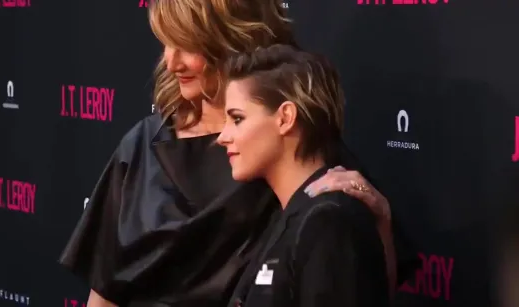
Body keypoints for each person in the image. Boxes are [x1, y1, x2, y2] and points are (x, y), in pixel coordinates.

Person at [59, 0, 417, 306]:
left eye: (186, 44)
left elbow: (359, 288)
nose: (172, 63)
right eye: (166, 44)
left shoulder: (291, 149)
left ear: (231, 35)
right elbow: (103, 293)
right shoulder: (138, 150)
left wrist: (380, 221)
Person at [217, 44, 389, 307]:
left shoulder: (326, 220)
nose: (222, 137)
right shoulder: (291, 214)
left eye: (237, 119)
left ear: (285, 118)